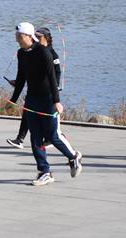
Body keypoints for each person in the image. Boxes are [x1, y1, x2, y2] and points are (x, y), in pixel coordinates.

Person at [9, 22, 82, 187]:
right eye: (16, 36)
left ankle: (73, 157)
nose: (17, 39)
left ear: (28, 36)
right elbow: (21, 78)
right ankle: (44, 171)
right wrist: (13, 100)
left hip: (48, 99)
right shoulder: (21, 53)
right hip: (32, 100)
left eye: (19, 36)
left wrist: (57, 101)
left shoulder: (44, 52)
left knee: (52, 136)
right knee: (35, 138)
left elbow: (52, 77)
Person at [6, 26, 62, 149]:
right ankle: (20, 139)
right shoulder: (28, 52)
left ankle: (65, 149)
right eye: (35, 36)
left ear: (46, 38)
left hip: (50, 93)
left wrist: (56, 94)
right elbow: (27, 74)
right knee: (28, 113)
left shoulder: (51, 54)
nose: (37, 38)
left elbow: (55, 74)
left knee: (53, 130)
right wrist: (16, 87)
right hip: (34, 93)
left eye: (40, 36)